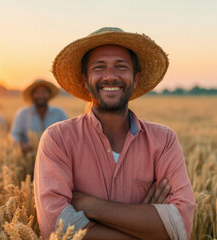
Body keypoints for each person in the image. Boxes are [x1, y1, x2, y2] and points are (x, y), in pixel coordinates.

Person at [34, 27, 196, 240]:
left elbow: (181, 226)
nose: (110, 77)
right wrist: (146, 225)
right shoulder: (58, 139)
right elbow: (57, 228)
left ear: (135, 79)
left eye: (121, 67)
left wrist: (89, 205)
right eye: (99, 67)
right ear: (85, 80)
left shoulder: (164, 140)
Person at [10, 79, 68, 154]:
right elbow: (14, 135)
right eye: (37, 92)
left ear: (49, 94)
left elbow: (67, 135)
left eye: (44, 92)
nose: (41, 95)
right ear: (32, 95)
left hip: (54, 157)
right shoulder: (22, 114)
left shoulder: (59, 113)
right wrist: (22, 145)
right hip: (29, 159)